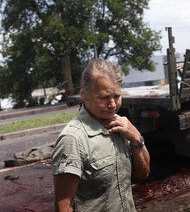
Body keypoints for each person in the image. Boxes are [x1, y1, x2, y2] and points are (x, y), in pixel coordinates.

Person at [51, 59, 150, 212]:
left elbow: (144, 174)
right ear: (84, 93)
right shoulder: (73, 139)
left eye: (117, 96)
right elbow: (63, 206)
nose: (112, 104)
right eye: (104, 98)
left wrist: (136, 138)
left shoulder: (122, 127)